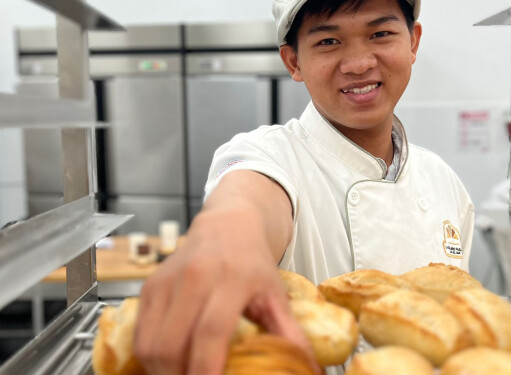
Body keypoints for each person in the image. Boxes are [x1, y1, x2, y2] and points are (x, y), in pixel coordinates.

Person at [134, 0, 474, 374]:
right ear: (293, 62)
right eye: (329, 42)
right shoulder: (269, 154)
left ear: (413, 42)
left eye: (380, 34)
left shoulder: (444, 182)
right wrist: (228, 235)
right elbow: (246, 199)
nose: (359, 63)